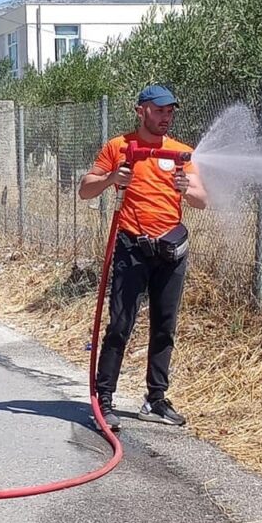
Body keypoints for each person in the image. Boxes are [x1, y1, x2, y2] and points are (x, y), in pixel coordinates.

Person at [78, 84, 208, 429]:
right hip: (132, 247)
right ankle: (104, 401)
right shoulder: (119, 147)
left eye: (170, 112)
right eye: (159, 110)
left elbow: (201, 199)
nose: (166, 117)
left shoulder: (182, 152)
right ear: (141, 111)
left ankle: (156, 399)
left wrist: (187, 188)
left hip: (170, 249)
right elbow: (84, 190)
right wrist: (111, 178)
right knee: (120, 324)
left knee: (165, 327)